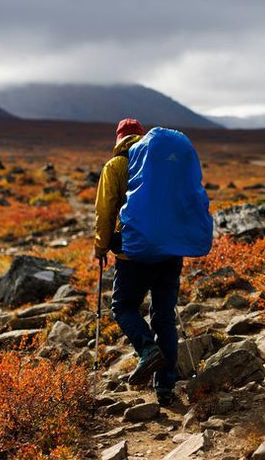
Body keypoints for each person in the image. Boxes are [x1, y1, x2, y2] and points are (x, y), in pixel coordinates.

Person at [93, 117, 182, 406]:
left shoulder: (116, 166)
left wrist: (101, 246)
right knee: (164, 315)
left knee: (123, 307)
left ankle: (147, 349)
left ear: (119, 140)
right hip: (169, 250)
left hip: (133, 253)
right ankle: (166, 387)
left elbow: (105, 211)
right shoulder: (164, 163)